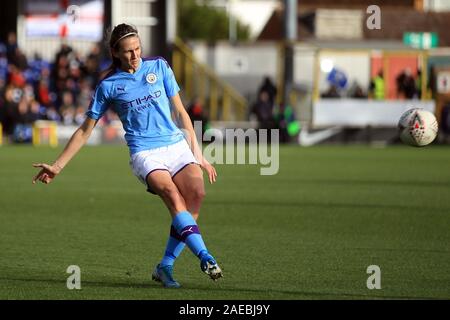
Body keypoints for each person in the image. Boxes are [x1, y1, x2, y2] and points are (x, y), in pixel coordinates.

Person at [31, 23, 222, 288]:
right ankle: (205, 256)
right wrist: (58, 165)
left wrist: (197, 154)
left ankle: (165, 266)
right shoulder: (108, 85)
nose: (135, 56)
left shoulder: (159, 66)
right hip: (145, 152)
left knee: (196, 195)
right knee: (172, 195)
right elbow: (85, 131)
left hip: (175, 144)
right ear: (115, 53)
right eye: (128, 51)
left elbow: (180, 112)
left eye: (137, 48)